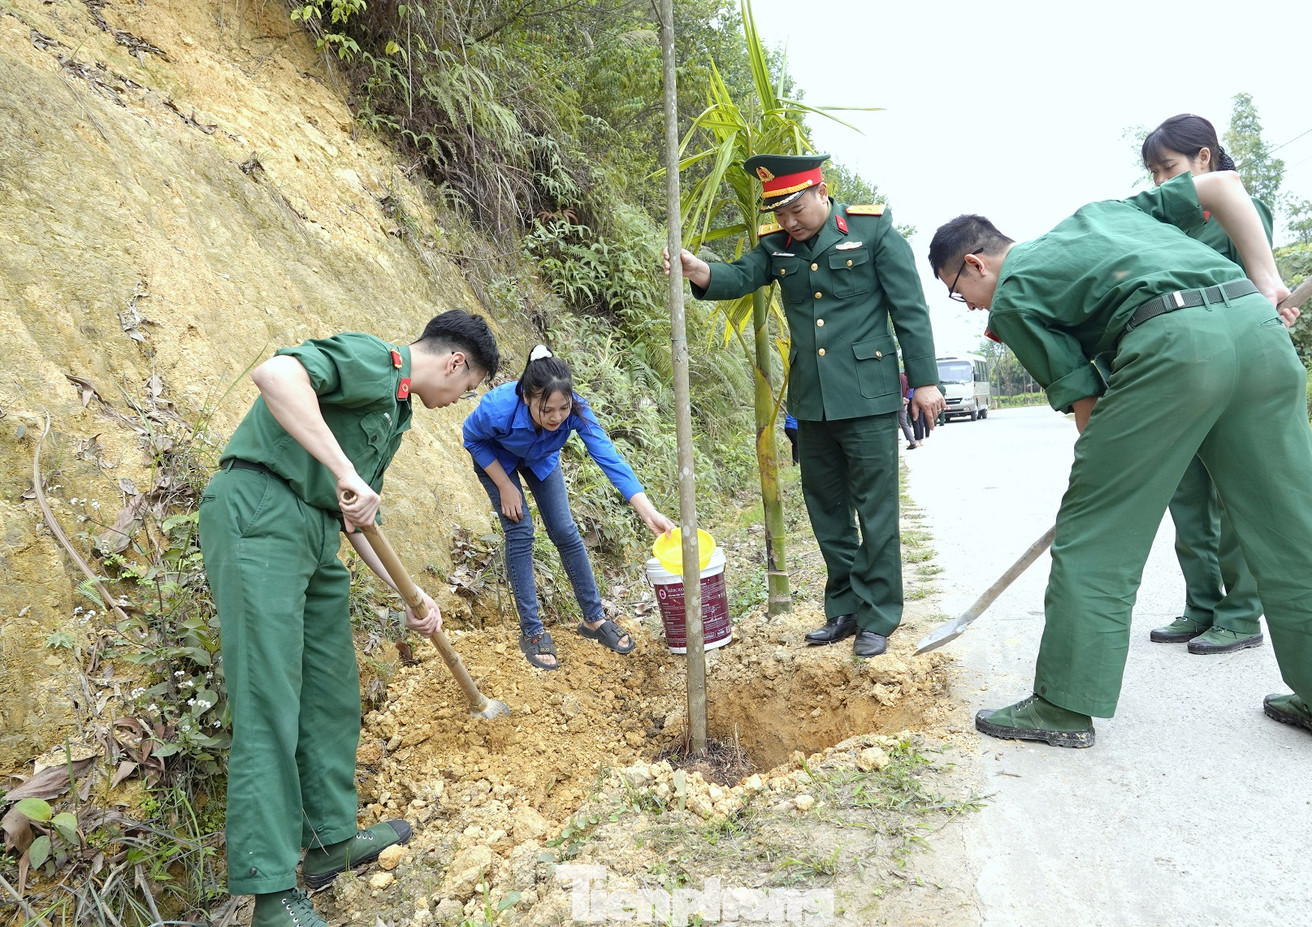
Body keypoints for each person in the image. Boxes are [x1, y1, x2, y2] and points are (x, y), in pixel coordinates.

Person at [927, 169, 1312, 750]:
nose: (969, 305)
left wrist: (1102, 484)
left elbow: (1088, 405)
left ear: (975, 265)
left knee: (1097, 532)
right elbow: (1224, 186)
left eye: (958, 292)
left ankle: (1062, 706)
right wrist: (1268, 282)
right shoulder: (1105, 213)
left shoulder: (1012, 296)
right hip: (1258, 331)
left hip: (1172, 346)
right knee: (1297, 523)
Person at [199, 310, 500, 926]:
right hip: (262, 510)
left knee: (332, 693)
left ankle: (328, 841)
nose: (458, 401)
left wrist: (411, 594)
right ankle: (272, 893)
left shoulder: (397, 411)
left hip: (315, 533)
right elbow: (277, 374)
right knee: (269, 700)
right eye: (466, 390)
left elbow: (359, 517)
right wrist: (342, 471)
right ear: (454, 363)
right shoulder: (373, 361)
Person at [665, 153, 946, 658]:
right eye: (779, 213)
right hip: (813, 403)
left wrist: (923, 381)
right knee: (827, 509)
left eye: (796, 208)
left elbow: (910, 309)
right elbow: (738, 275)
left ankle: (879, 615)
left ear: (821, 191)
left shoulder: (873, 231)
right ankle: (843, 607)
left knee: (875, 511)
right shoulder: (776, 248)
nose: (788, 222)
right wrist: (699, 268)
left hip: (867, 397)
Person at [1142, 114, 1271, 656]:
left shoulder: (1240, 210)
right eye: (1153, 173)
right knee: (1186, 497)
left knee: (1229, 496)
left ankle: (1241, 613)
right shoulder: (1165, 224)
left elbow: (1258, 285)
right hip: (1179, 378)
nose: (1161, 183)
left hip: (1231, 372)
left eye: (1168, 168)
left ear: (1204, 157)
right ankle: (1202, 603)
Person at [463, 345, 676, 670]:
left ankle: (593, 620)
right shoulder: (498, 408)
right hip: (497, 461)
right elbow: (472, 438)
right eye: (547, 409)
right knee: (520, 531)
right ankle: (532, 631)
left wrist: (647, 510)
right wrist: (505, 486)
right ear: (526, 397)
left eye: (563, 408)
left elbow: (608, 457)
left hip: (541, 461)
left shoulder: (575, 411)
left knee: (565, 530)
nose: (556, 417)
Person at [898, 371, 926, 449]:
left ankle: (916, 439)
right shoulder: (916, 382)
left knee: (915, 420)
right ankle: (918, 439)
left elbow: (907, 390)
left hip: (909, 400)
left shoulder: (901, 378)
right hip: (911, 400)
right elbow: (907, 390)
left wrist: (904, 398)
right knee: (918, 419)